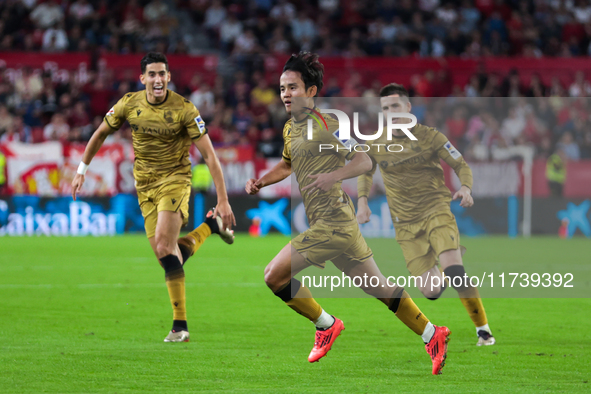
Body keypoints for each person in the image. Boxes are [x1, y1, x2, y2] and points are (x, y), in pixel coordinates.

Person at [245, 52, 451, 375]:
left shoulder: (329, 123)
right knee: (378, 287)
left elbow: (364, 161)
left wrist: (334, 176)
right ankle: (432, 333)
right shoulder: (290, 129)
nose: (286, 94)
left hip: (333, 224)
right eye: (283, 88)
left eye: (293, 87)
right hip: (339, 223)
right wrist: (261, 181)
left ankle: (325, 324)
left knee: (274, 275)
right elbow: (287, 164)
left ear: (311, 92)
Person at [71, 53, 236, 343]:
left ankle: (180, 326)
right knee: (166, 256)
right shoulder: (129, 103)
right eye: (152, 74)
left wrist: (223, 199)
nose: (158, 79)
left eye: (162, 74)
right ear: (143, 78)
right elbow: (99, 133)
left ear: (168, 77)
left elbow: (210, 155)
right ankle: (211, 226)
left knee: (163, 245)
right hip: (144, 184)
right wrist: (82, 169)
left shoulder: (184, 109)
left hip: (175, 179)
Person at [357, 83, 495, 346]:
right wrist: (362, 202)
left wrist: (466, 188)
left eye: (396, 106)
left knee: (455, 270)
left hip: (436, 210)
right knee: (431, 292)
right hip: (405, 223)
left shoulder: (430, 136)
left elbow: (460, 163)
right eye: (385, 108)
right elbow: (365, 171)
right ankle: (445, 266)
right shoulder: (375, 142)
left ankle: (483, 331)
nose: (391, 112)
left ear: (408, 108)